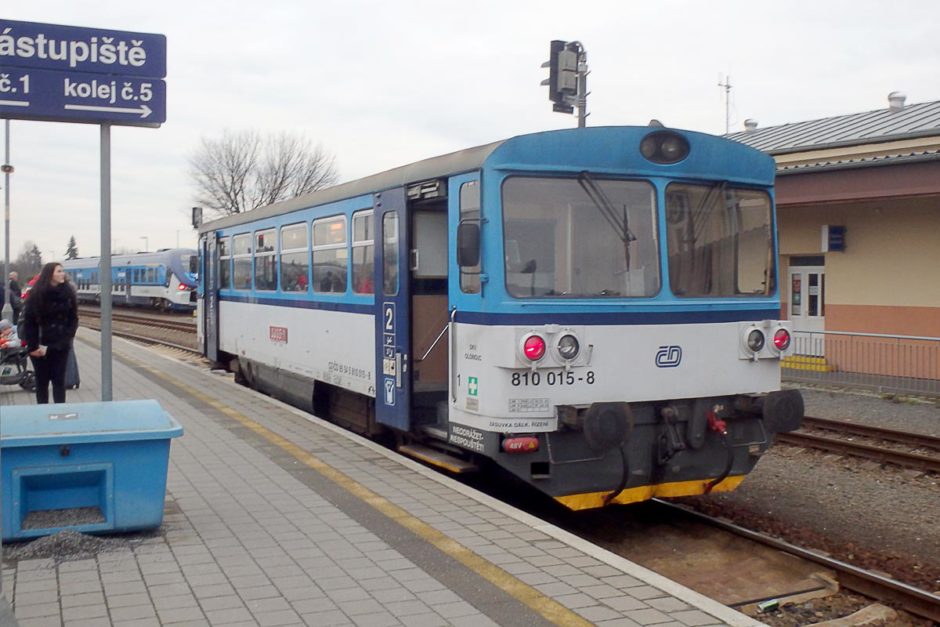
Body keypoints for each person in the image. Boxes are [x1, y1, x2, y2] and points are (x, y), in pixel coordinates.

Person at [21, 262, 78, 404]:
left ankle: (60, 412)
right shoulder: (37, 295)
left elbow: (73, 317)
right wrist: (32, 347)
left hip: (61, 345)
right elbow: (30, 322)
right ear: (50, 274)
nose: (62, 274)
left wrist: (67, 336)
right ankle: (43, 413)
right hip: (40, 346)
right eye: (59, 271)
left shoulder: (68, 293)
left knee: (59, 381)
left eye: (62, 271)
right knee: (42, 382)